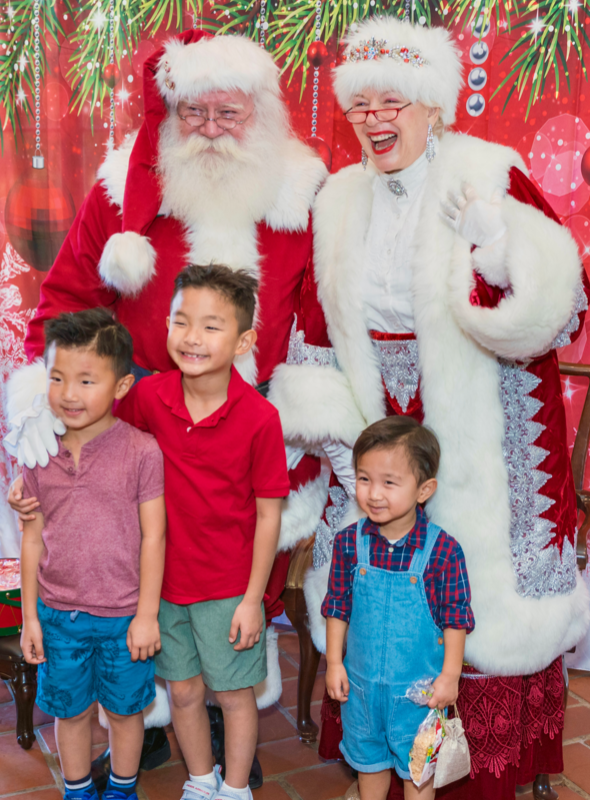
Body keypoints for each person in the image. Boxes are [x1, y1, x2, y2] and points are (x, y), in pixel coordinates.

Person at [267, 17, 590, 800]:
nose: (375, 119)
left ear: (432, 106)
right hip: (380, 417)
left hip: (482, 409)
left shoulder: (490, 171)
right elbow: (316, 321)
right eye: (361, 106)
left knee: (477, 577)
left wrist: (497, 246)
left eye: (393, 102)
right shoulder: (339, 198)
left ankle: (477, 773)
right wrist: (333, 431)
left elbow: (565, 306)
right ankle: (383, 757)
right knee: (381, 577)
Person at [3, 29, 330, 784]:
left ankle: (221, 712)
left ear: (264, 114)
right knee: (132, 566)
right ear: (170, 113)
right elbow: (68, 300)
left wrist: (307, 408)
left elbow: (322, 318)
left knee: (226, 572)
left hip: (252, 428)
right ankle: (146, 710)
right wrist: (55, 398)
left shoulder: (304, 193)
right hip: (141, 426)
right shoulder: (122, 190)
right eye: (196, 112)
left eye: (230, 113)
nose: (211, 130)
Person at [19, 309, 165, 800]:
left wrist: (146, 615)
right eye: (57, 378)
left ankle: (122, 790)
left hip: (124, 616)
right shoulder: (38, 455)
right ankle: (77, 790)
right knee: (70, 710)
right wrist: (30, 619)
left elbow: (153, 537)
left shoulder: (142, 452)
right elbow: (32, 538)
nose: (69, 393)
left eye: (86, 380)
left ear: (121, 386)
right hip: (58, 615)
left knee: (125, 713)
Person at [323, 417, 473, 800]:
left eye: (389, 483)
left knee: (418, 775)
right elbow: (337, 605)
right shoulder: (347, 544)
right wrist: (335, 662)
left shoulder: (443, 551)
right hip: (360, 692)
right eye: (364, 479)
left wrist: (451, 675)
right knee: (368, 766)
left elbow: (456, 617)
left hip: (420, 700)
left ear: (424, 490)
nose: (374, 494)